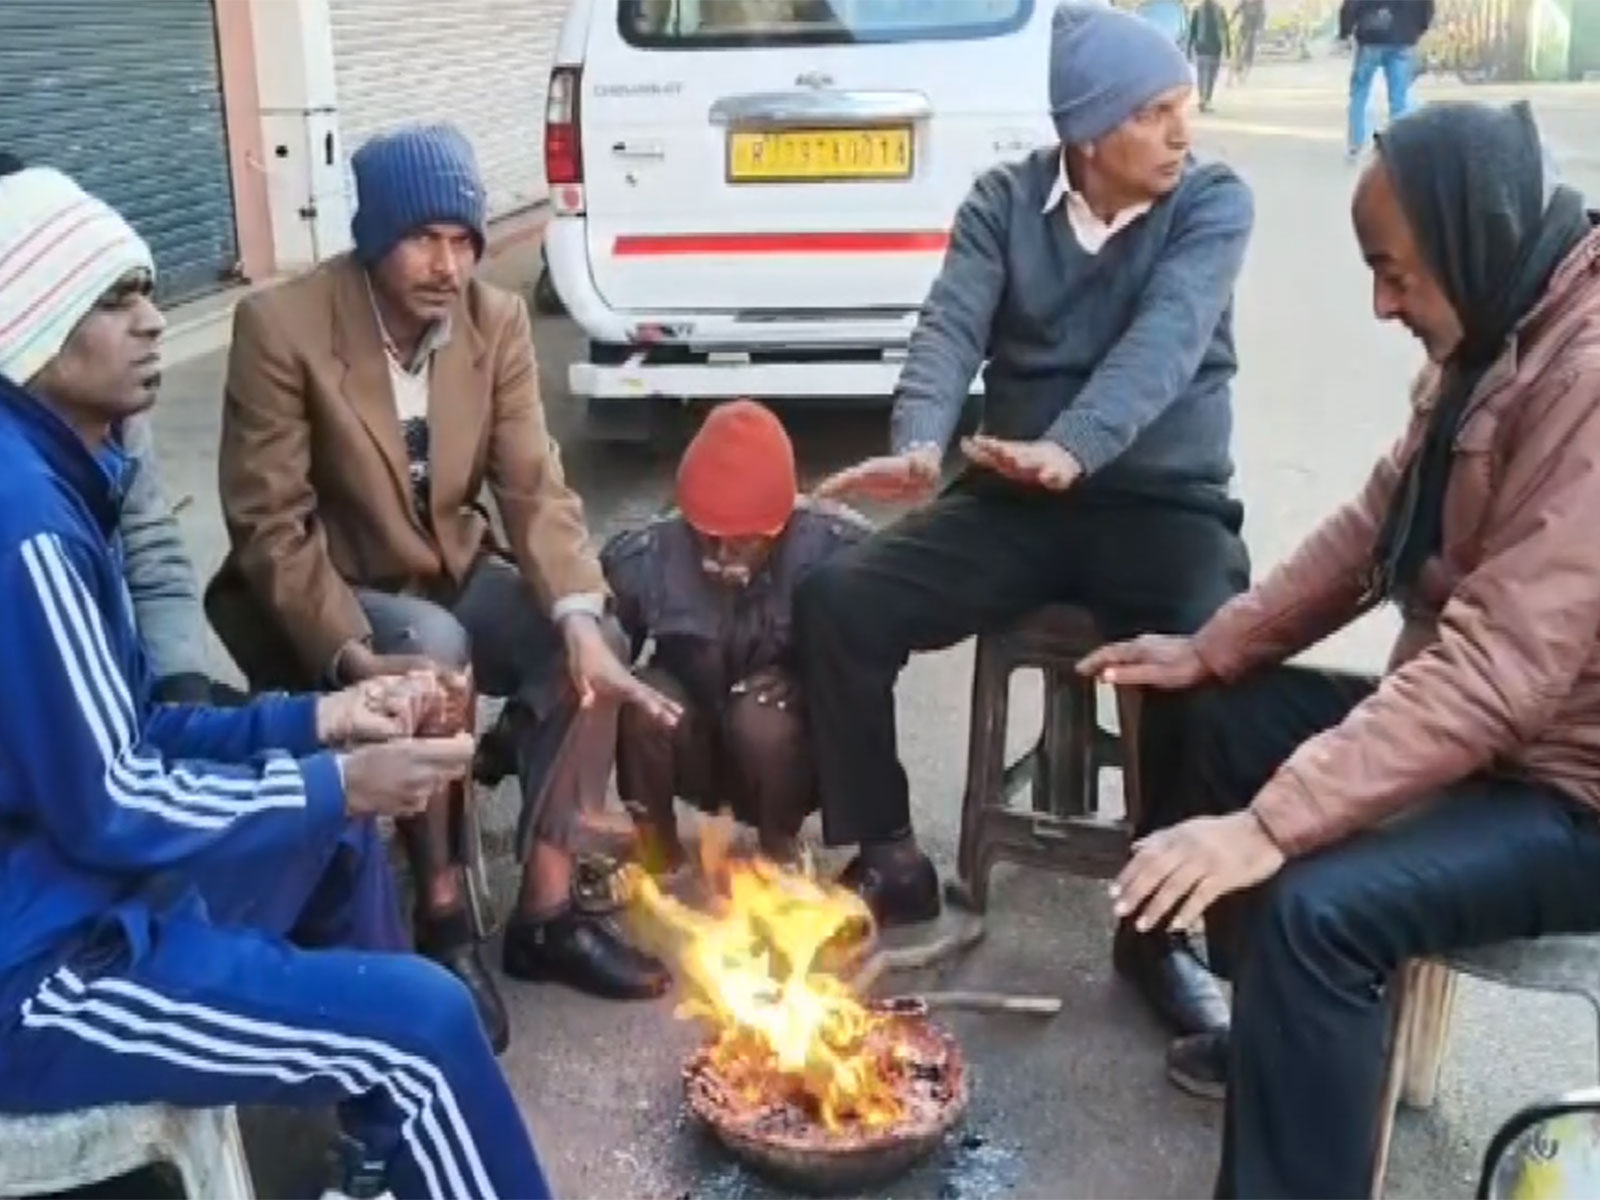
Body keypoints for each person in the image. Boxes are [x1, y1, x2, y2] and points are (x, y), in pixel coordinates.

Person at [0, 164, 553, 1200]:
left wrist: (323, 718)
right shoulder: (23, 523)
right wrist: (345, 778)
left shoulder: (63, 481)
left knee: (331, 830)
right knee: (426, 1028)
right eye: (114, 299)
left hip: (74, 891)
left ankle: (379, 1158)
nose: (154, 321)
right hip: (38, 973)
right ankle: (403, 1098)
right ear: (30, 326)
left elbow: (132, 731)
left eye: (149, 291)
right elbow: (111, 800)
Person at [1082, 101, 1600, 1198]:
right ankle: (1279, 1037)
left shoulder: (1585, 377)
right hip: (1494, 740)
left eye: (1397, 274)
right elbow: (1373, 528)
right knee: (1210, 714)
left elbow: (1502, 668)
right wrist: (1214, 648)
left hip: (1569, 791)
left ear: (1472, 235)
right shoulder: (1505, 323)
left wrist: (1269, 827)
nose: (1380, 304)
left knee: (1321, 908)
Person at [800, 0, 1253, 1042]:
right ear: (1089, 136)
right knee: (840, 599)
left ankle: (1159, 931)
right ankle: (888, 858)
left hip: (1157, 498)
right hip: (1014, 494)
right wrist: (920, 441)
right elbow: (952, 321)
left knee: (1202, 642)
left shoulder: (1212, 202)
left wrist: (1077, 444)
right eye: (1158, 113)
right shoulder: (1004, 201)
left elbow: (1169, 340)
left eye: (1185, 107)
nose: (1185, 131)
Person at [207, 123, 678, 1051]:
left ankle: (546, 912)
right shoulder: (282, 328)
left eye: (465, 241)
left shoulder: (494, 322)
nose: (449, 264)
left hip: (452, 570)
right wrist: (348, 651)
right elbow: (271, 527)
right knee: (435, 651)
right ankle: (444, 920)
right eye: (424, 238)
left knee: (588, 648)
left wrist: (580, 612)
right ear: (374, 235)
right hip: (338, 592)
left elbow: (534, 484)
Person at [0, 152, 226, 708]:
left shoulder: (113, 413)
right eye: (110, 299)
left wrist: (182, 689)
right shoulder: (23, 508)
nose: (154, 320)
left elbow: (153, 553)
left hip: (134, 703)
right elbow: (93, 781)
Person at [603, 400, 870, 869]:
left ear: (780, 527)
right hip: (695, 747)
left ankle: (779, 853)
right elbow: (587, 658)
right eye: (706, 537)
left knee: (762, 716)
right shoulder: (647, 557)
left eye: (742, 542)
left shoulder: (837, 551)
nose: (720, 555)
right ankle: (655, 856)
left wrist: (808, 680)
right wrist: (507, 741)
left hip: (788, 758)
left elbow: (875, 666)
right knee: (641, 695)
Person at [1339, 0, 1434, 161]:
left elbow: (1350, 6)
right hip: (1403, 39)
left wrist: (1345, 32)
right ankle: (1400, 146)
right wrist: (1418, 30)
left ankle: (1356, 144)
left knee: (1359, 93)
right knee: (1399, 98)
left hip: (1371, 38)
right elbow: (1427, 7)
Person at [1188, 0, 1232, 111]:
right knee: (1208, 76)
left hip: (1208, 47)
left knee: (1206, 76)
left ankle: (1204, 99)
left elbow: (1192, 31)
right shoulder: (1215, 10)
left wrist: (1189, 48)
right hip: (1208, 48)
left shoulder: (1200, 10)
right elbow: (1193, 30)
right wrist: (1227, 48)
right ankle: (1205, 99)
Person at [1231, 0, 1266, 80]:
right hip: (1243, 29)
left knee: (1249, 52)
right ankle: (1238, 69)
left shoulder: (1259, 5)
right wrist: (1231, 21)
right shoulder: (1244, 3)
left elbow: (1262, 18)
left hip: (1252, 31)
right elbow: (1235, 11)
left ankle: (1244, 74)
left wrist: (1259, 30)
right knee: (1238, 48)